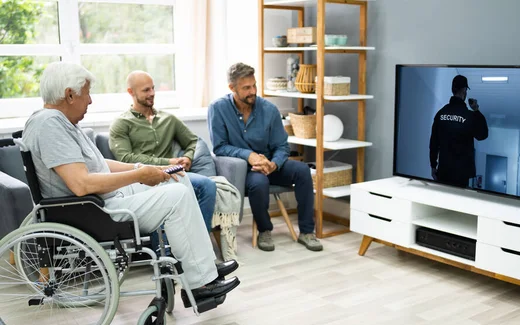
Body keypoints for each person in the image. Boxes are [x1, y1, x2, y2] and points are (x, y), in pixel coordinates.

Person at [20, 61, 240, 308]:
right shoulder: (50, 125)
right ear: (70, 95)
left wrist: (147, 170)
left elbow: (98, 164)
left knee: (179, 177)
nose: (90, 101)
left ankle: (206, 269)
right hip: (93, 211)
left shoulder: (60, 122)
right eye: (87, 94)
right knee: (176, 196)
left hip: (101, 200)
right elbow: (80, 184)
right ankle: (200, 286)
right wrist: (139, 176)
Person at [208, 62, 323, 252]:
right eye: (246, 88)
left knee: (303, 171)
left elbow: (281, 146)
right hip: (245, 169)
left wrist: (274, 164)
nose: (253, 91)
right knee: (259, 182)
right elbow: (220, 147)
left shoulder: (269, 109)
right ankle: (264, 230)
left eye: (254, 85)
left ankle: (307, 231)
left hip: (270, 163)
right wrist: (249, 156)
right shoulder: (218, 109)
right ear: (232, 88)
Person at [109, 71, 216, 233]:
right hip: (142, 179)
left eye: (152, 88)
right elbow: (125, 158)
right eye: (146, 90)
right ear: (131, 92)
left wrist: (187, 157)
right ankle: (168, 248)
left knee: (207, 185)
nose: (152, 93)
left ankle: (200, 238)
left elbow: (192, 141)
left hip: (172, 174)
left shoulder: (168, 119)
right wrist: (167, 162)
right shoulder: (122, 123)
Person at [429, 74, 489, 187]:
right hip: (461, 175)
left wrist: (433, 166)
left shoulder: (441, 113)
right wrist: (476, 110)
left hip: (443, 171)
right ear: (464, 90)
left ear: (453, 89)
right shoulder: (469, 116)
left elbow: (433, 143)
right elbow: (483, 135)